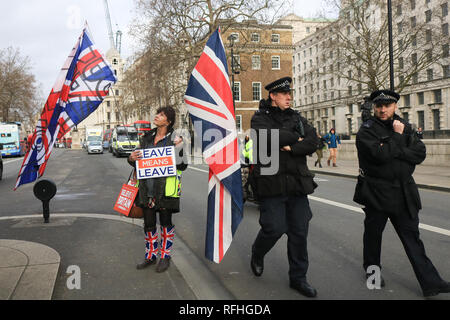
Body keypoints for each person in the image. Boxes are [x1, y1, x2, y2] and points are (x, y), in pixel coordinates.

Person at [353, 89, 450, 297]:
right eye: (378, 106)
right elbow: (379, 156)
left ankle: (431, 282)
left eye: (387, 106)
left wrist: (395, 149)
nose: (382, 110)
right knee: (373, 236)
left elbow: (419, 153)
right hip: (376, 192)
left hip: (403, 192)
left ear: (395, 106)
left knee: (413, 238)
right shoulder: (367, 131)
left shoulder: (406, 127)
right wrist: (397, 140)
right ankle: (372, 273)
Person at [249, 76, 319, 298]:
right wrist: (294, 138)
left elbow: (314, 141)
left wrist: (292, 146)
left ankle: (298, 278)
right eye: (284, 94)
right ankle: (257, 252)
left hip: (297, 184)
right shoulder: (260, 118)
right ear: (273, 96)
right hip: (271, 183)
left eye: (290, 94)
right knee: (274, 228)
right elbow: (264, 138)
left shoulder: (297, 117)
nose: (289, 97)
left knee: (299, 232)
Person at [128, 106, 187, 273]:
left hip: (165, 190)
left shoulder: (175, 138)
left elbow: (183, 165)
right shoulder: (147, 137)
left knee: (166, 224)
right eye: (158, 113)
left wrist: (180, 148)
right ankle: (151, 255)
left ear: (168, 121)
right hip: (147, 189)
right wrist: (131, 158)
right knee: (149, 224)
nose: (157, 116)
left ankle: (165, 256)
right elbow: (137, 160)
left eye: (161, 115)